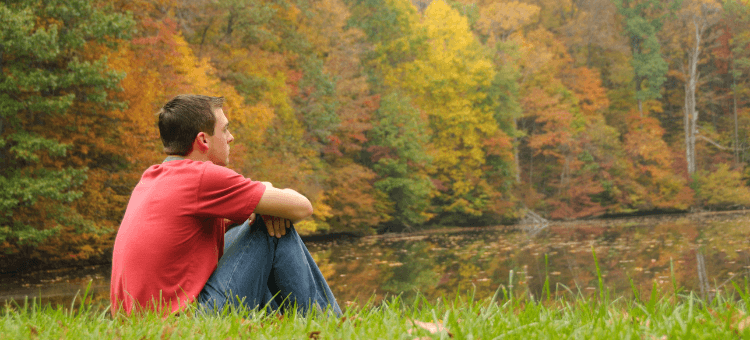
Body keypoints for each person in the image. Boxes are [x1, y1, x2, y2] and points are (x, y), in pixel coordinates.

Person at [110, 94, 340, 316]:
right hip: (184, 322)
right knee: (269, 225)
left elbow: (237, 226)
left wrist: (265, 200)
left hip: (141, 319)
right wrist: (267, 204)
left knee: (262, 218)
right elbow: (302, 207)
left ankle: (281, 321)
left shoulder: (153, 177)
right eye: (225, 129)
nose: (231, 137)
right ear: (203, 140)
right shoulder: (202, 177)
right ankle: (329, 324)